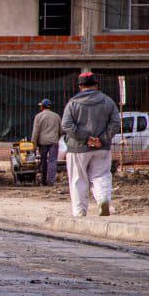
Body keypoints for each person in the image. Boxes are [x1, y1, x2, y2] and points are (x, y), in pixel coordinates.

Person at [60, 72, 118, 217]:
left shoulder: (73, 103)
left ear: (80, 86)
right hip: (102, 148)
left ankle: (80, 211)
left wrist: (86, 138)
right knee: (101, 175)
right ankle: (103, 199)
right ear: (96, 85)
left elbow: (66, 125)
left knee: (78, 179)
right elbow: (115, 123)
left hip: (77, 149)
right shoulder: (108, 101)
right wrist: (102, 139)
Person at [30, 98, 62, 186]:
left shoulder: (38, 116)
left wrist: (34, 145)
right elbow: (61, 131)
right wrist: (57, 138)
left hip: (43, 142)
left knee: (43, 161)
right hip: (54, 142)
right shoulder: (57, 116)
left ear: (42, 107)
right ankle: (51, 181)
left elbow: (35, 132)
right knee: (52, 161)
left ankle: (43, 181)